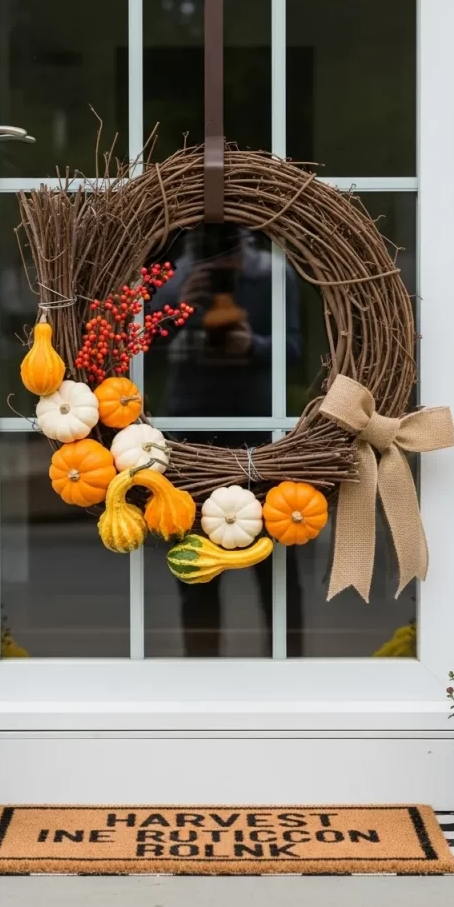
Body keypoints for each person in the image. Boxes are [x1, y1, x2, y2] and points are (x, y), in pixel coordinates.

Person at [147, 223, 304, 657]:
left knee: (277, 562)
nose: (221, 270)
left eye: (228, 260)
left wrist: (252, 346)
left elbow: (293, 349)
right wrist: (179, 306)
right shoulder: (176, 279)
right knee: (195, 565)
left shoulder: (274, 274)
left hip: (260, 429)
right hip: (189, 428)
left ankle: (291, 672)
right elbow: (142, 351)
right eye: (210, 263)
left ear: (246, 246)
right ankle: (201, 671)